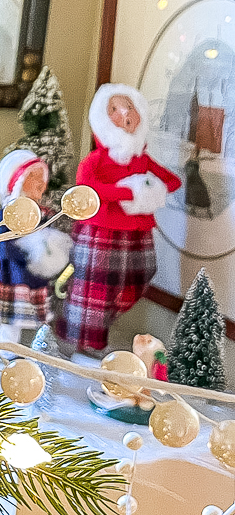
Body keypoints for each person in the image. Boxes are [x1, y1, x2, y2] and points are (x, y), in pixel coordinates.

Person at [57, 83, 181, 354]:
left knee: (139, 278)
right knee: (94, 292)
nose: (124, 112)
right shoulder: (96, 160)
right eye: (113, 108)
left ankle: (98, 326)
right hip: (101, 231)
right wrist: (127, 192)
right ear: (103, 117)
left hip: (137, 233)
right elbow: (86, 187)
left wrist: (151, 190)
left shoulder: (143, 160)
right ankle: (88, 343)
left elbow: (172, 181)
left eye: (128, 105)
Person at [0, 149, 71, 343]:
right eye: (33, 176)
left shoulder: (41, 214)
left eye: (41, 177)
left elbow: (43, 236)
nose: (40, 182)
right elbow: (4, 245)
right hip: (12, 275)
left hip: (31, 275)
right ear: (18, 180)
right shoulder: (9, 214)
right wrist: (26, 255)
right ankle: (6, 346)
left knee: (26, 315)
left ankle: (21, 343)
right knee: (11, 320)